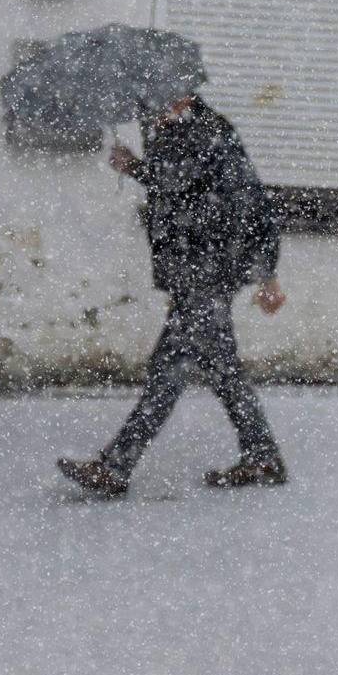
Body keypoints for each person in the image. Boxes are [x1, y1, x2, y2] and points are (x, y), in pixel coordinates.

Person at [58, 94, 287, 497]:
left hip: (208, 272)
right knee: (222, 371)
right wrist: (140, 166)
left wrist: (266, 273)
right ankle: (262, 455)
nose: (154, 109)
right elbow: (184, 189)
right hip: (194, 272)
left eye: (163, 99)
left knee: (169, 369)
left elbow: (241, 200)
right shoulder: (177, 131)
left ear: (183, 96)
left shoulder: (206, 131)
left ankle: (115, 466)